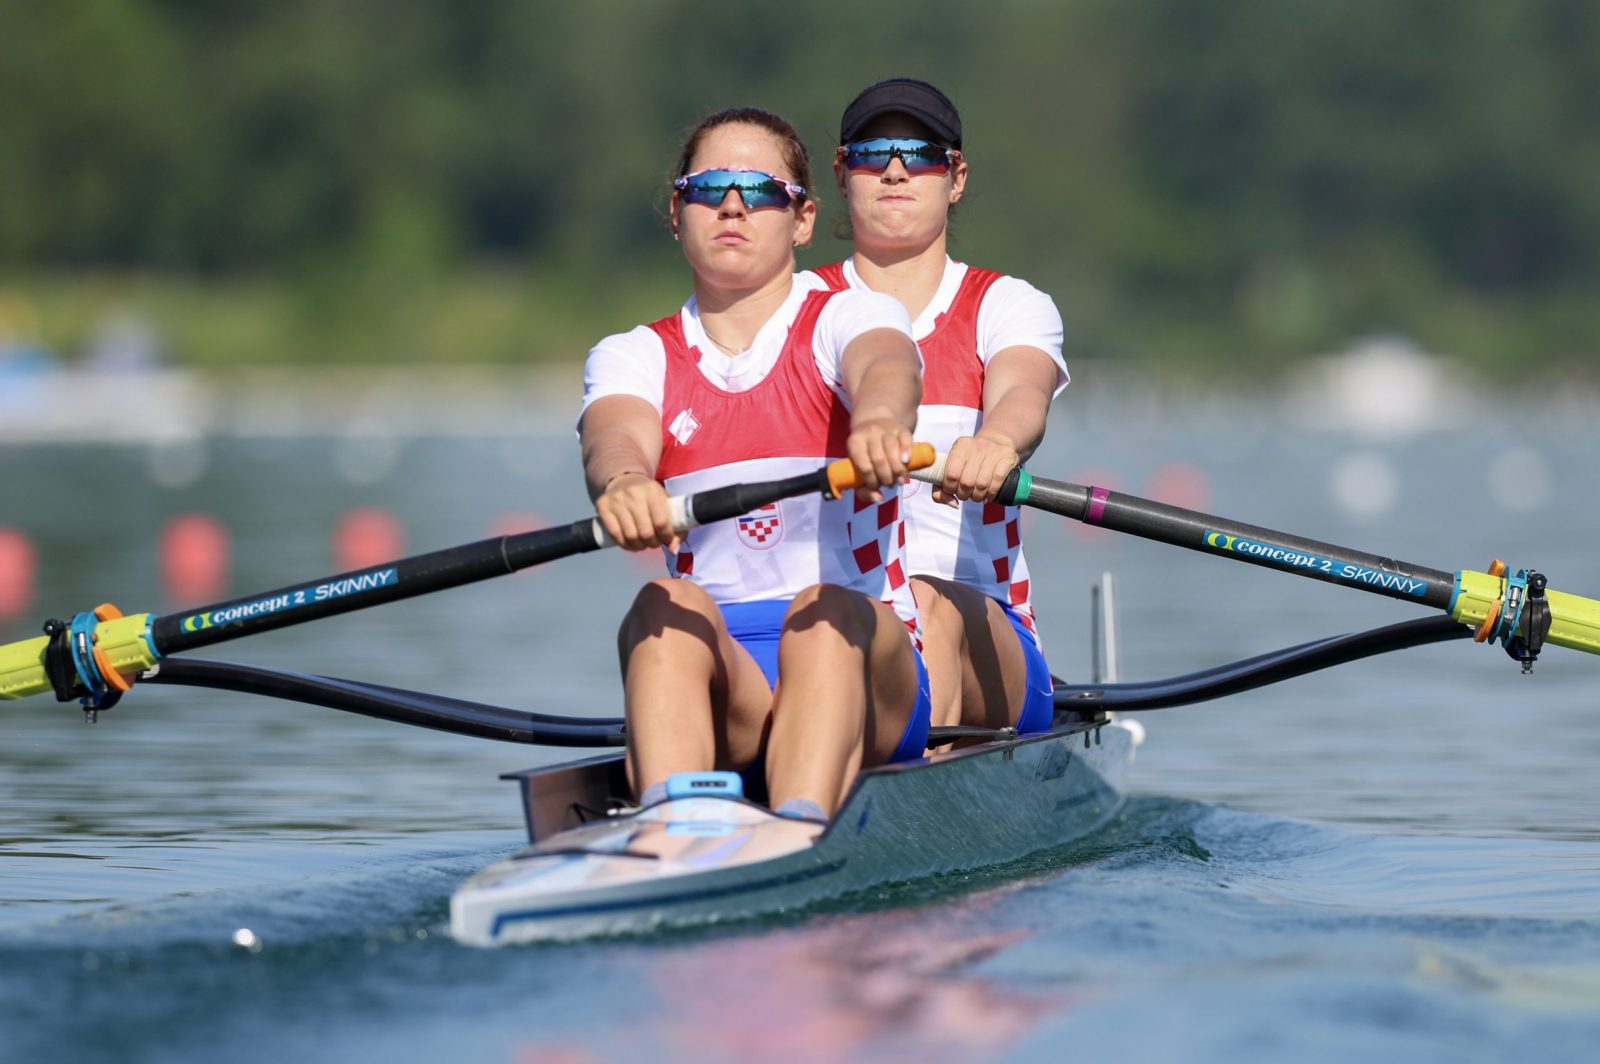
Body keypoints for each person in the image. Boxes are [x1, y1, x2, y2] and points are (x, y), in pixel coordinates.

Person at [578, 107, 931, 820]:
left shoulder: (847, 317)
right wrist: (623, 482)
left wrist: (880, 423)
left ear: (801, 220)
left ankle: (798, 829)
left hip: (866, 668)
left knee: (824, 610)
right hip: (725, 680)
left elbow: (887, 366)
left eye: (761, 189)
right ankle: (673, 831)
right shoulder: (635, 353)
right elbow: (614, 432)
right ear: (678, 213)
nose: (732, 204)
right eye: (708, 188)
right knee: (662, 603)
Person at [811, 78, 1067, 736]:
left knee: (924, 603)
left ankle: (913, 790)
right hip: (832, 630)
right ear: (843, 173)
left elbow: (1022, 393)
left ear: (954, 178)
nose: (895, 169)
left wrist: (998, 443)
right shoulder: (798, 311)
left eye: (920, 153)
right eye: (873, 152)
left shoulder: (1005, 305)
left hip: (985, 635)